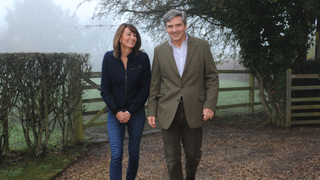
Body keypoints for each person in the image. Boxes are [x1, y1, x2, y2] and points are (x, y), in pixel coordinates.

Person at [147, 9, 219, 180]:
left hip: (194, 109)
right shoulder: (159, 50)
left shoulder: (202, 46)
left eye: (178, 25)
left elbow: (212, 77)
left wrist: (209, 104)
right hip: (167, 110)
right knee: (172, 160)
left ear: (185, 25)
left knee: (193, 155)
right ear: (166, 29)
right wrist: (151, 110)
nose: (175, 29)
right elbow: (155, 82)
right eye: (170, 26)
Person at [100, 23, 151, 180]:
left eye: (135, 35)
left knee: (133, 153)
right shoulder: (109, 58)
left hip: (136, 113)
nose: (132, 38)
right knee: (116, 154)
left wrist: (130, 111)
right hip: (115, 113)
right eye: (129, 34)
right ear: (120, 37)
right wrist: (117, 111)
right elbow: (105, 89)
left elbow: (145, 89)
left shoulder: (142, 58)